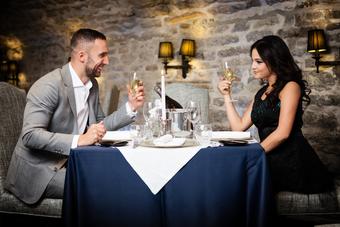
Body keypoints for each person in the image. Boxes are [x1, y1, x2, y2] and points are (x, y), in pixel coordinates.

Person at [5, 28, 145, 204]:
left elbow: (100, 127)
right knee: (106, 186)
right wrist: (79, 140)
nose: (107, 61)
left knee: (122, 174)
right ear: (82, 56)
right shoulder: (48, 86)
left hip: (73, 162)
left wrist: (131, 106)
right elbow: (30, 135)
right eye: (102, 55)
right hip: (39, 172)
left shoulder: (92, 85)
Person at [218, 35, 333, 193]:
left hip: (293, 163)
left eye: (258, 61)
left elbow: (283, 133)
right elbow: (238, 128)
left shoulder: (290, 86)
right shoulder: (261, 93)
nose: (253, 66)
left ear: (274, 60)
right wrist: (226, 96)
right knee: (231, 179)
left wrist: (253, 154)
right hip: (269, 158)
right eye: (252, 61)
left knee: (239, 182)